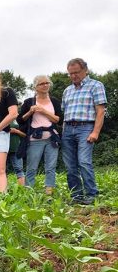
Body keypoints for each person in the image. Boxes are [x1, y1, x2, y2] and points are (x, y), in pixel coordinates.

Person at [61, 58, 107, 205]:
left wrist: (95, 132)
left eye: (76, 72)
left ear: (85, 70)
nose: (73, 76)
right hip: (68, 128)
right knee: (70, 165)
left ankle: (92, 194)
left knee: (84, 161)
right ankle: (77, 196)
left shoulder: (96, 85)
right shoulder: (67, 90)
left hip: (86, 128)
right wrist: (63, 132)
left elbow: (100, 111)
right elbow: (65, 113)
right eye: (70, 73)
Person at [18, 75, 61, 194]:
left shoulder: (55, 101)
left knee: (51, 167)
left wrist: (44, 111)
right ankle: (29, 193)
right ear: (35, 87)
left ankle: (49, 192)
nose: (45, 85)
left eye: (47, 83)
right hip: (35, 139)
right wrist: (30, 112)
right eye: (42, 83)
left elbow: (58, 119)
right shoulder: (29, 102)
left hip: (52, 137)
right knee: (32, 167)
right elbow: (20, 120)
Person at [7, 120, 26, 186]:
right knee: (2, 171)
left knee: (19, 169)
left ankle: (22, 190)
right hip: (2, 148)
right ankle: (4, 191)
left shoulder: (18, 119)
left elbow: (25, 135)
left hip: (16, 148)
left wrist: (16, 131)